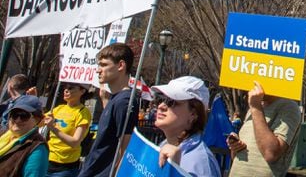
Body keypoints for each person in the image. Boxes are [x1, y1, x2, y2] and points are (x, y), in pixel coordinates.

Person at [77, 43, 138, 177]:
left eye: (104, 65)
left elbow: (125, 149)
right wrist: (105, 100)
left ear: (121, 65)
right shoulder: (115, 99)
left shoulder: (124, 101)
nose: (98, 70)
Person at [226, 81, 301, 177]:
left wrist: (256, 107)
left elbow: (271, 154)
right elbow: (238, 158)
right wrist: (235, 147)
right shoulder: (253, 107)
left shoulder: (289, 107)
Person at [152, 76, 221, 177]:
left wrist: (175, 170)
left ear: (193, 114)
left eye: (171, 101)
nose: (161, 106)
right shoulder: (164, 145)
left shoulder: (201, 163)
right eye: (160, 99)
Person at [44, 83, 92, 177]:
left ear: (82, 91)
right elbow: (37, 121)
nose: (66, 90)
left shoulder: (83, 112)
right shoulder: (59, 108)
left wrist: (53, 128)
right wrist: (32, 100)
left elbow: (75, 142)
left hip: (65, 168)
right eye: (65, 88)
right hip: (47, 162)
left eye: (70, 88)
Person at [0, 95, 49, 176]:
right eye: (14, 115)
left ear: (36, 119)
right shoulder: (3, 134)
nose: (18, 120)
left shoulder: (37, 149)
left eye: (24, 116)